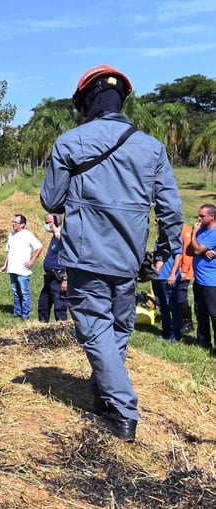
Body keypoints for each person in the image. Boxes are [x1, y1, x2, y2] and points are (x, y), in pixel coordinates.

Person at [41, 64, 183, 441]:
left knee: (95, 331)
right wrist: (163, 253)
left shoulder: (70, 143)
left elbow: (51, 199)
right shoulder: (152, 147)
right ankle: (105, 394)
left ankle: (122, 411)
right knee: (118, 329)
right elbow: (171, 211)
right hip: (129, 259)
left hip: (86, 257)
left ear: (86, 102)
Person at [0, 214, 42, 321]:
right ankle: (17, 311)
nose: (13, 224)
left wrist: (32, 260)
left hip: (23, 270)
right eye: (12, 222)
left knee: (24, 292)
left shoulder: (28, 235)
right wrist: (5, 265)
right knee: (15, 291)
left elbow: (39, 247)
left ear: (22, 224)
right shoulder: (11, 235)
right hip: (12, 268)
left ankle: (25, 314)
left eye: (15, 222)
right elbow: (9, 251)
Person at [191, 204, 216, 354]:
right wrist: (202, 251)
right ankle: (203, 343)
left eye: (202, 216)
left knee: (214, 314)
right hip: (199, 280)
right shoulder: (202, 231)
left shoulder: (213, 233)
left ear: (212, 217)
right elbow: (190, 250)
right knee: (200, 312)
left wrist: (194, 234)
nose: (199, 219)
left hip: (212, 282)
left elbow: (195, 249)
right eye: (198, 216)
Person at [38, 213, 68, 322]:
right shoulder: (55, 237)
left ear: (56, 223)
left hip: (59, 278)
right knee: (43, 305)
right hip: (50, 278)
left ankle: (62, 330)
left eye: (48, 223)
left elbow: (69, 259)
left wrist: (65, 279)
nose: (46, 225)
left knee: (59, 307)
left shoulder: (64, 236)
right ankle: (42, 329)